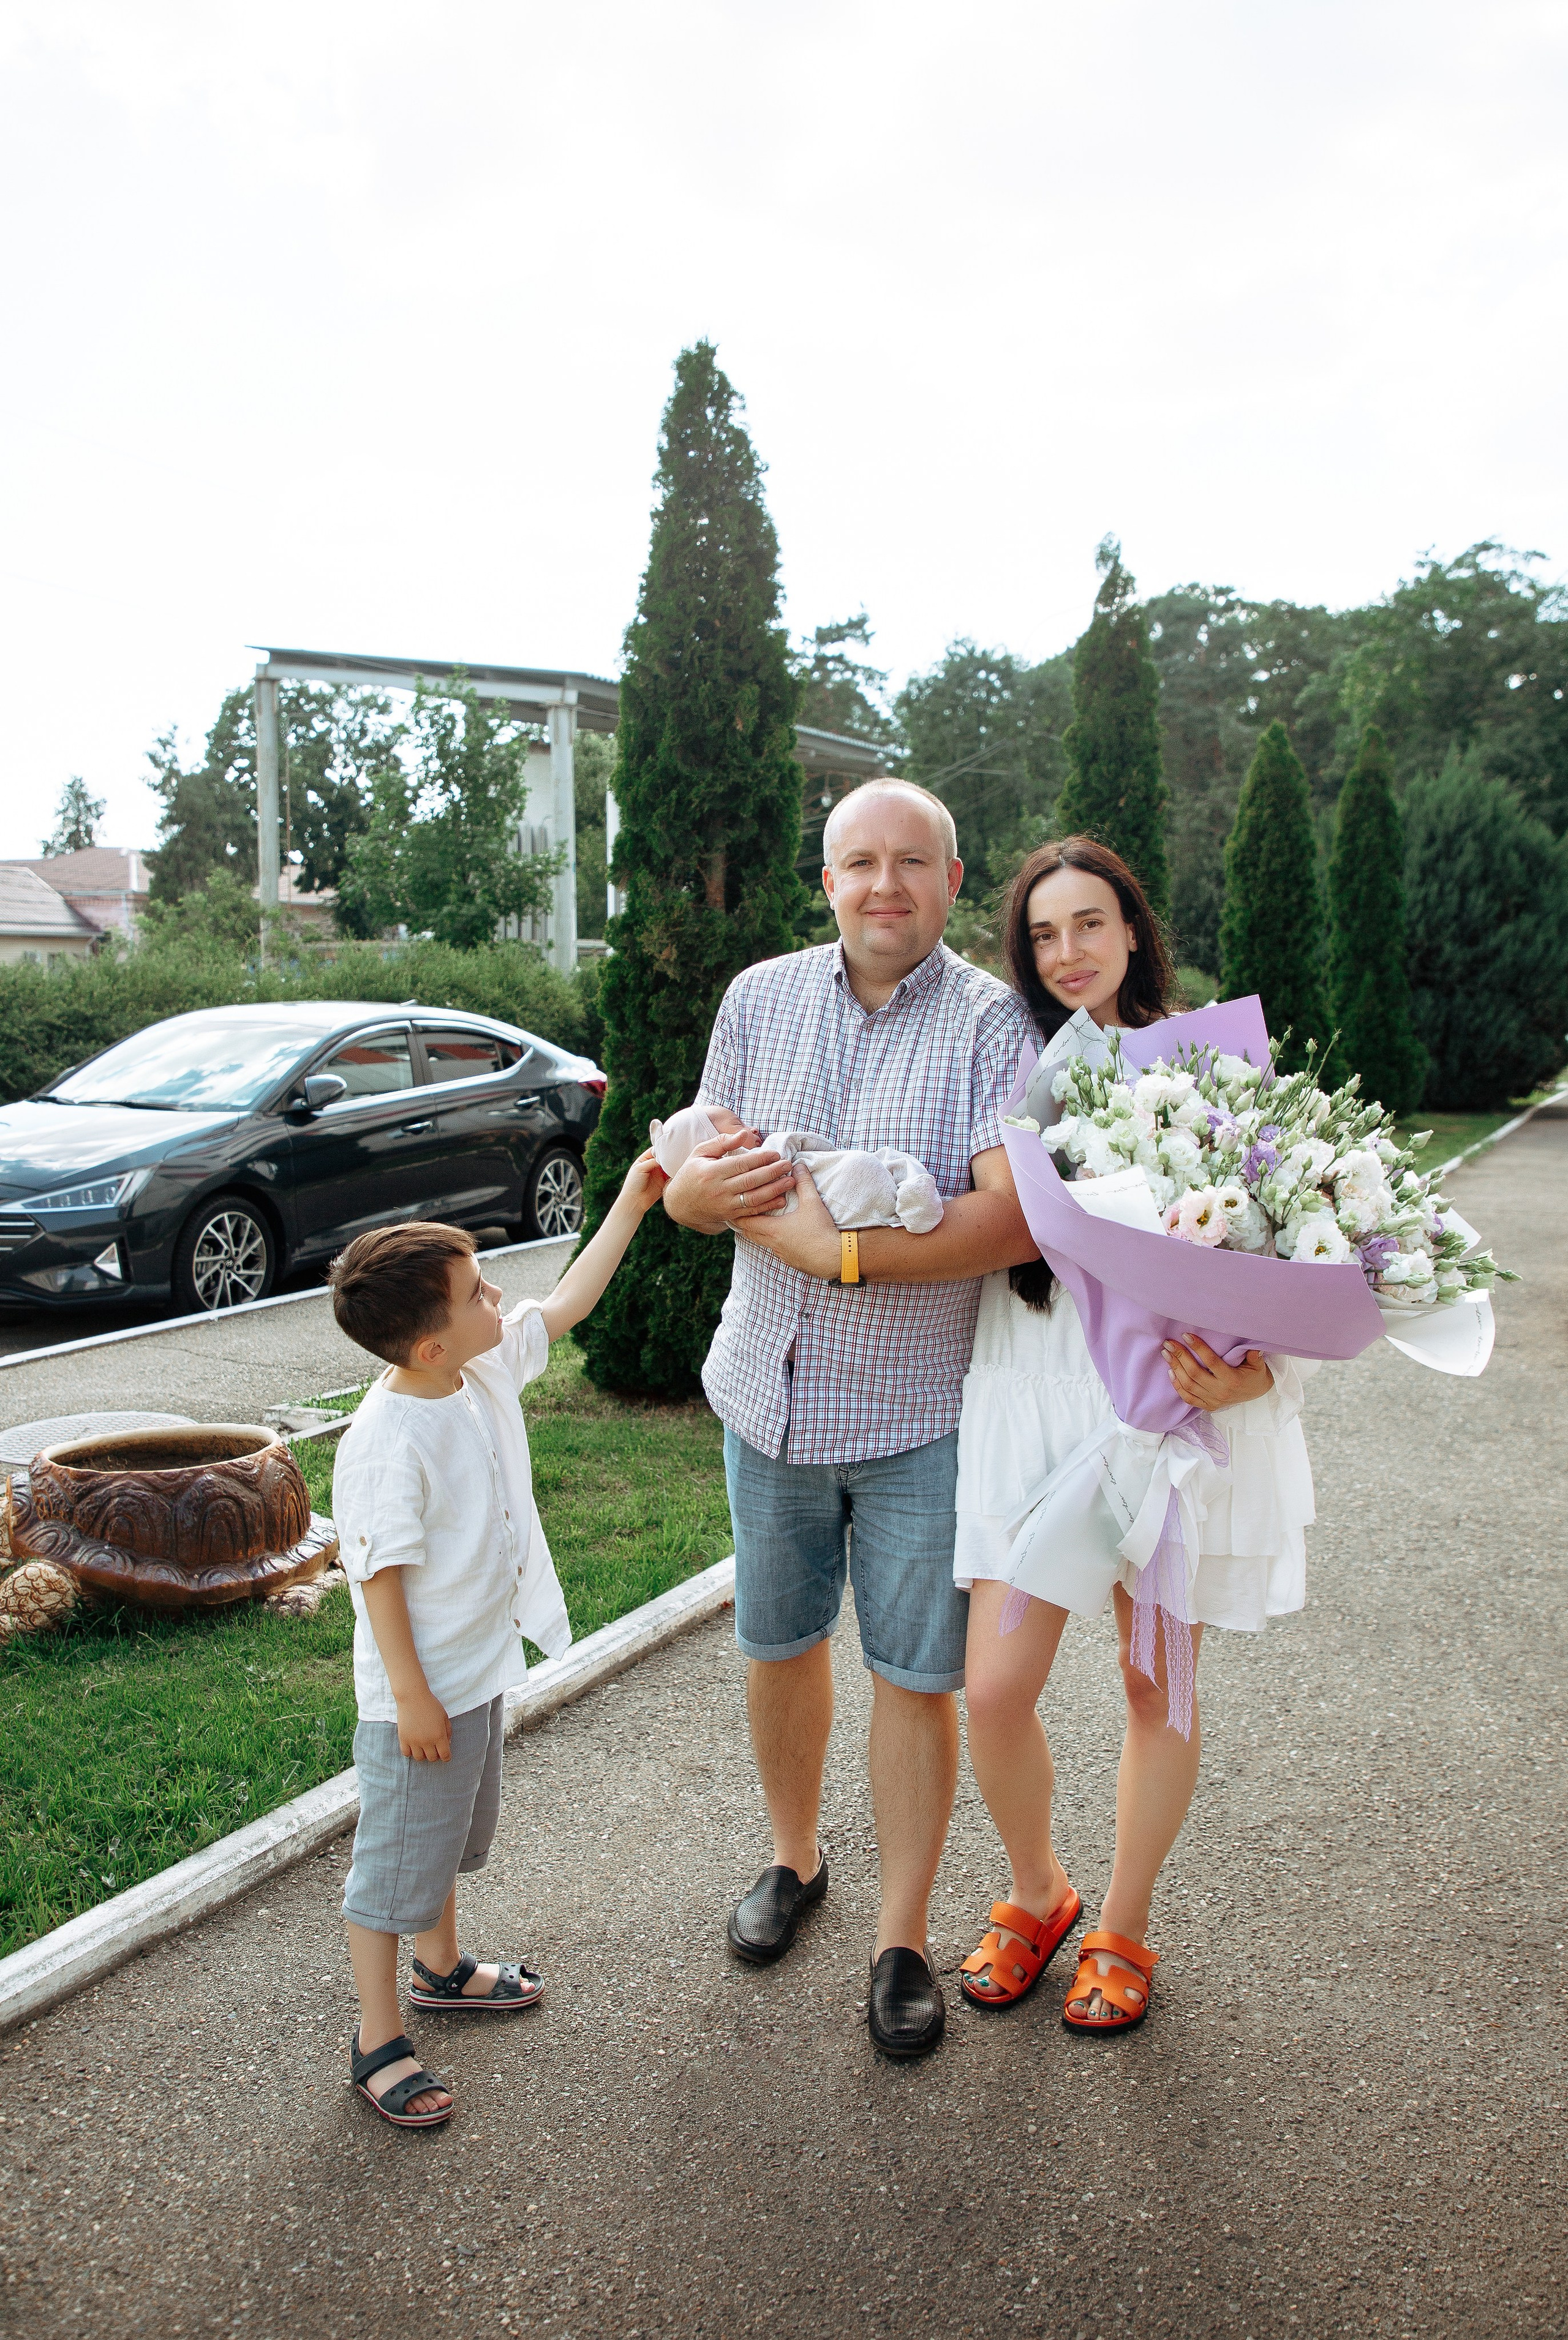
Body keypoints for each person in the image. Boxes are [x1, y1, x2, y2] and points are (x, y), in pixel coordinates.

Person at [662, 778, 1037, 2059]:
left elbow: (1011, 1218)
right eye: (858, 862)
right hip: (760, 1393)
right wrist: (713, 1201)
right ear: (825, 879)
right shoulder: (757, 999)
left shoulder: (996, 1027)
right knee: (777, 1645)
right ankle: (792, 1858)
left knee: (914, 1678)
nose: (884, 884)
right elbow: (685, 1183)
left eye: (910, 863)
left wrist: (842, 1252)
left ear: (949, 876)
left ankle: (898, 1933)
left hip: (919, 1415)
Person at [952, 838, 1317, 2031]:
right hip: (1026, 1396)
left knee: (1152, 1684)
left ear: (1130, 930)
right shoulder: (997, 1063)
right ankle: (1035, 1889)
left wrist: (1244, 1374)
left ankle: (1120, 1919)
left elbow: (1280, 1246)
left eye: (1088, 924)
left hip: (1157, 1411)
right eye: (1042, 933)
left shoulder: (1207, 1065)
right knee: (994, 1688)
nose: (1066, 952)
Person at [326, 1168, 663, 2129]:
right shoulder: (390, 1438)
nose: (499, 1297)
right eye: (479, 1291)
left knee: (451, 1843)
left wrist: (633, 1201)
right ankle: (378, 2036)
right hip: (419, 1695)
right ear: (432, 1342)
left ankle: (439, 1970)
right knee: (394, 1869)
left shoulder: (470, 1372)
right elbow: (376, 1573)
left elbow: (563, 1304)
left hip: (476, 1673)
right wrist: (411, 1695)